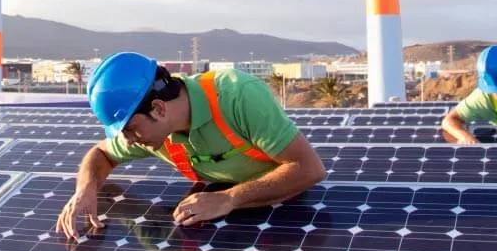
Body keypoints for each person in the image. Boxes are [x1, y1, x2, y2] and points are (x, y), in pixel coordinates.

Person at [55, 51, 327, 241]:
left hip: (289, 218)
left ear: (159, 108)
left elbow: (309, 169)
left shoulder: (238, 96)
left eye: (129, 129)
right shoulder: (151, 133)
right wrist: (86, 189)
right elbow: (100, 153)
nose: (127, 139)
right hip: (221, 227)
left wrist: (229, 198)